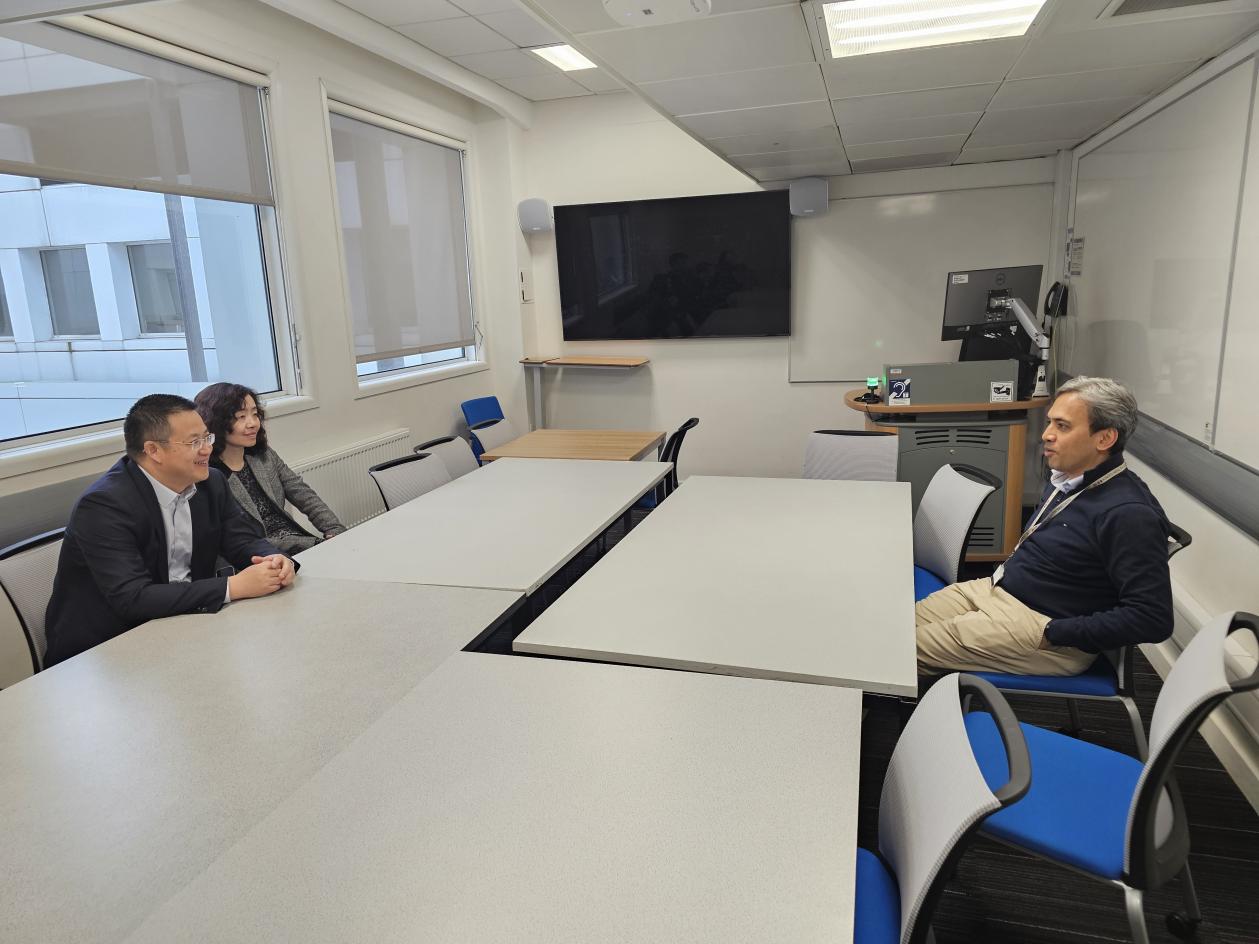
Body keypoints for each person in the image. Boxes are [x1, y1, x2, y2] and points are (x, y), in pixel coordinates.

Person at [915, 376, 1173, 677]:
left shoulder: (1129, 514)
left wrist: (1053, 632)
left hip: (1039, 627)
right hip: (995, 589)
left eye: (1062, 426)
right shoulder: (1067, 478)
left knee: (896, 653)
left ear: (1104, 439)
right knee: (890, 627)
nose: (1046, 435)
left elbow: (1152, 618)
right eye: (1050, 423)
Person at [44, 394, 296, 667]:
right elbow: (133, 597)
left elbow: (242, 540)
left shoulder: (211, 483)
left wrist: (273, 559)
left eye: (207, 438)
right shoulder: (104, 506)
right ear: (153, 450)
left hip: (187, 627)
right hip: (106, 652)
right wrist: (233, 587)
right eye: (194, 442)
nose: (207, 450)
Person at [194, 382, 346, 557]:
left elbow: (303, 493)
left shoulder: (264, 455)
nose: (253, 423)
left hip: (298, 543)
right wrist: (312, 544)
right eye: (241, 416)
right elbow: (235, 541)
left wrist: (335, 530)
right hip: (258, 557)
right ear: (216, 422)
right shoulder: (208, 474)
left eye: (255, 414)